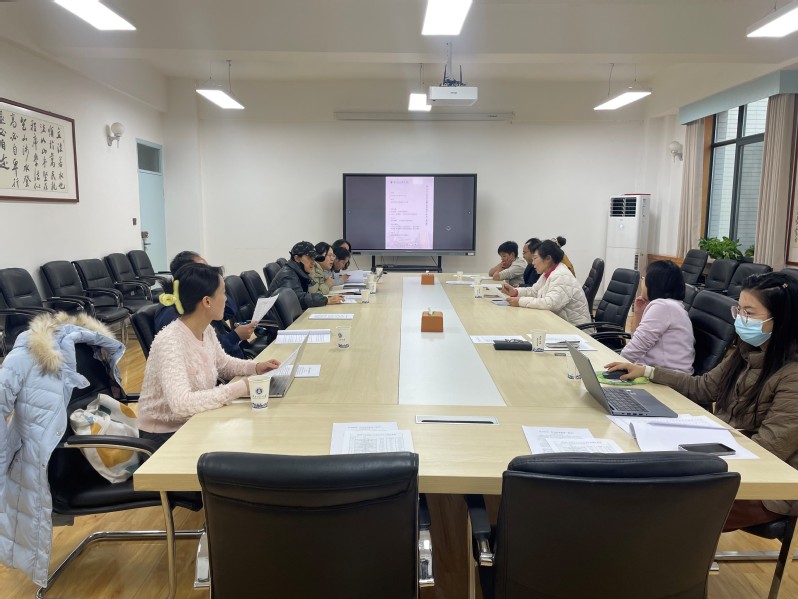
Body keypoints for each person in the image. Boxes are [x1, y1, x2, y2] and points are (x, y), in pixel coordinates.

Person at [606, 272, 798, 530]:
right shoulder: (747, 351)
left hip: (766, 487)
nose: (740, 319)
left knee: (656, 503)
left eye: (749, 314)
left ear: (782, 320)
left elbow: (768, 450)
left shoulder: (793, 375)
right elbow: (704, 387)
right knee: (642, 480)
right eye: (739, 310)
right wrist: (647, 371)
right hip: (725, 458)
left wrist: (696, 457)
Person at [138, 262, 281, 448]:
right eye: (223, 293)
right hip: (166, 435)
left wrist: (255, 368)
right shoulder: (170, 341)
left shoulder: (206, 330)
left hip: (195, 419)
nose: (226, 299)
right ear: (207, 302)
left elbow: (223, 364)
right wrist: (243, 387)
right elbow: (181, 405)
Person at [155, 251, 257, 359]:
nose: (209, 272)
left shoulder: (200, 298)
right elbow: (200, 354)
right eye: (204, 269)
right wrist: (235, 336)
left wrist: (217, 289)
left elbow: (230, 310)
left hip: (230, 360)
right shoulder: (170, 313)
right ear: (189, 274)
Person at [618, 260, 695, 373]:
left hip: (667, 377)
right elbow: (637, 339)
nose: (642, 282)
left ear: (653, 283)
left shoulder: (663, 307)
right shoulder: (669, 305)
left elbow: (637, 347)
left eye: (644, 278)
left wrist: (615, 364)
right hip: (658, 372)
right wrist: (638, 314)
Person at [501, 239, 591, 326]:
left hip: (575, 330)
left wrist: (520, 301)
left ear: (548, 258)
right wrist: (515, 292)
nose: (533, 263)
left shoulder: (561, 275)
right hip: (559, 324)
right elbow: (534, 291)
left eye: (535, 258)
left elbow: (550, 304)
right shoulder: (547, 273)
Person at [269, 241, 345, 309]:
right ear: (297, 258)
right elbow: (297, 299)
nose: (313, 262)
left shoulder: (298, 271)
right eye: (309, 258)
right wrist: (326, 300)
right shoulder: (288, 275)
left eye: (314, 258)